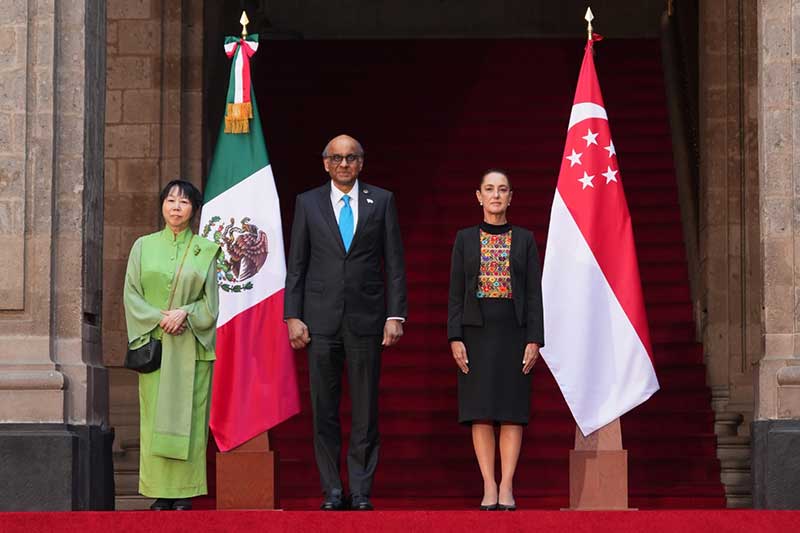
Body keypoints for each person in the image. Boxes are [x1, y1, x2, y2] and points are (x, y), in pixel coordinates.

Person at [284, 134, 408, 511]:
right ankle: (332, 490)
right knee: (324, 410)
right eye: (336, 158)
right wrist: (293, 315)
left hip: (367, 319)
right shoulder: (307, 203)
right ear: (325, 163)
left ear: (361, 163)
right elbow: (298, 265)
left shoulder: (381, 201)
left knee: (365, 411)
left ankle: (361, 489)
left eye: (350, 158)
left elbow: (395, 262)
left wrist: (395, 314)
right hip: (320, 321)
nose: (343, 164)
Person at [447, 169, 544, 511]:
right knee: (482, 413)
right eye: (489, 189)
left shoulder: (525, 239)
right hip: (475, 334)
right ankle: (489, 484)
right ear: (478, 196)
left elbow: (534, 294)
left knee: (512, 413)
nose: (496, 195)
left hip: (515, 335)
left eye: (502, 189)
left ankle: (507, 486)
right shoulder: (464, 239)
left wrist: (535, 339)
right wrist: (454, 336)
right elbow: (455, 293)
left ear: (511, 197)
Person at [123, 179, 221, 511]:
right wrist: (157, 317)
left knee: (191, 420)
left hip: (191, 347)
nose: (176, 206)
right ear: (162, 205)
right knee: (154, 420)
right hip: (155, 347)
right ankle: (160, 492)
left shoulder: (206, 250)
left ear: (194, 210)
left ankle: (186, 492)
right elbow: (131, 294)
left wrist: (186, 312)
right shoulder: (142, 246)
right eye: (170, 200)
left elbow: (211, 305)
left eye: (184, 202)